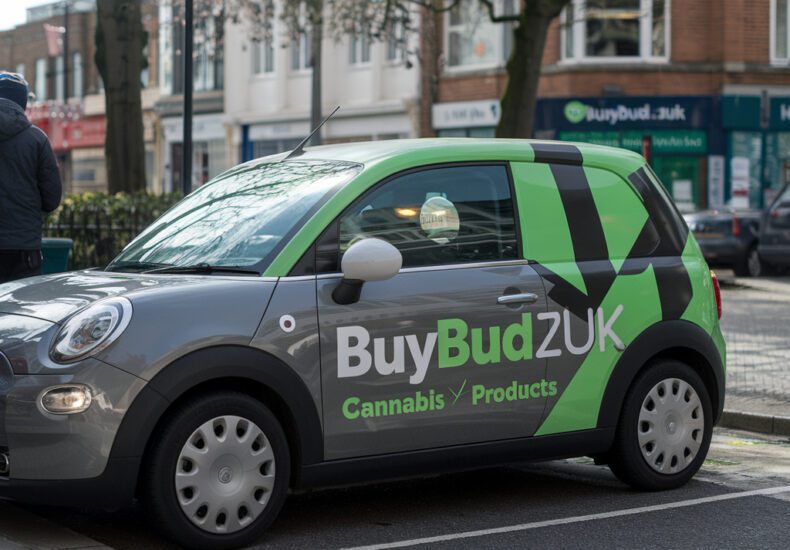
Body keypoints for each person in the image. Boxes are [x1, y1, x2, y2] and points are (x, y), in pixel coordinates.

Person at [0, 71, 62, 283]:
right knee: (21, 313)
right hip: (24, 248)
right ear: (23, 102)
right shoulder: (37, 140)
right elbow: (52, 199)